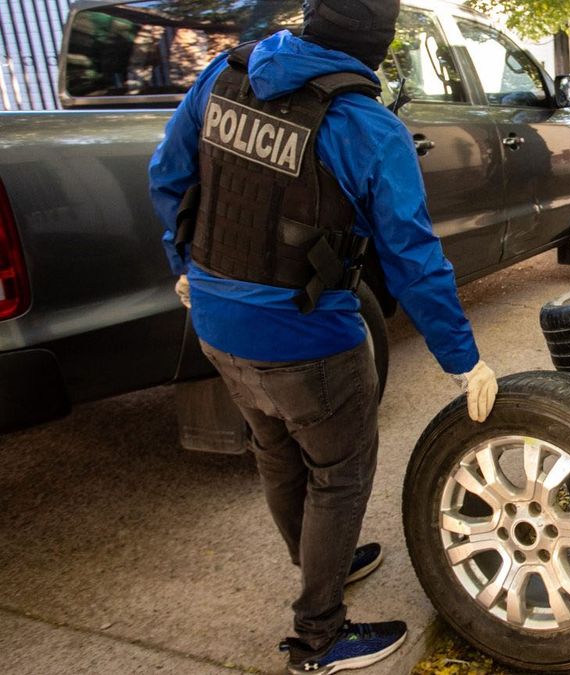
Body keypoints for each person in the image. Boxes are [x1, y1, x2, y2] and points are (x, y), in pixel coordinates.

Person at [148, 1, 499, 673]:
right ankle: (319, 637)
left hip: (216, 322)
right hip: (304, 338)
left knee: (277, 454)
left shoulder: (225, 76)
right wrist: (465, 359)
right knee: (339, 473)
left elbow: (167, 173)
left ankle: (318, 562)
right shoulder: (366, 124)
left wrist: (184, 264)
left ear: (311, 21)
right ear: (381, 45)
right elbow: (414, 258)